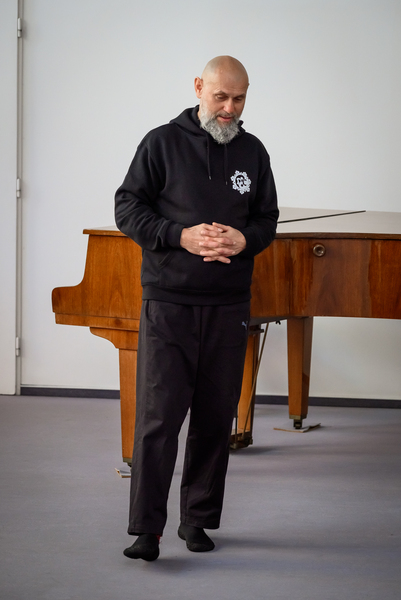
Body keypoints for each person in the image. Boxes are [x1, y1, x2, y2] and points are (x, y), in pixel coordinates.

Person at [115, 55, 279, 561]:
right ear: (198, 88)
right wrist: (178, 235)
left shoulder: (253, 152)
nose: (230, 108)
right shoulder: (160, 143)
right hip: (170, 303)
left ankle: (198, 520)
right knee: (159, 419)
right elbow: (127, 207)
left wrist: (244, 239)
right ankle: (146, 530)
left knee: (215, 417)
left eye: (239, 98)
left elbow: (267, 220)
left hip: (229, 306)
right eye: (220, 96)